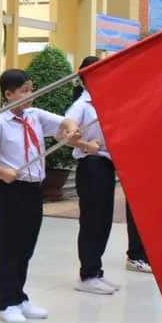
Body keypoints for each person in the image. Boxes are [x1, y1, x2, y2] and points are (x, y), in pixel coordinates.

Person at [0, 69, 80, 323]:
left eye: (31, 89)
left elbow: (66, 122)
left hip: (33, 191)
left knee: (26, 246)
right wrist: (0, 171)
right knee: (8, 248)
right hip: (11, 190)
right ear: (9, 94)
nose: (31, 94)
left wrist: (70, 130)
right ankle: (7, 302)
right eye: (25, 90)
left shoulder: (35, 116)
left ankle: (20, 295)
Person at [65, 56, 122, 296]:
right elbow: (67, 131)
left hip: (107, 165)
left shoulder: (105, 101)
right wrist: (87, 144)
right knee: (91, 221)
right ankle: (87, 274)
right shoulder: (82, 104)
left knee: (104, 220)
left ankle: (95, 269)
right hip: (91, 165)